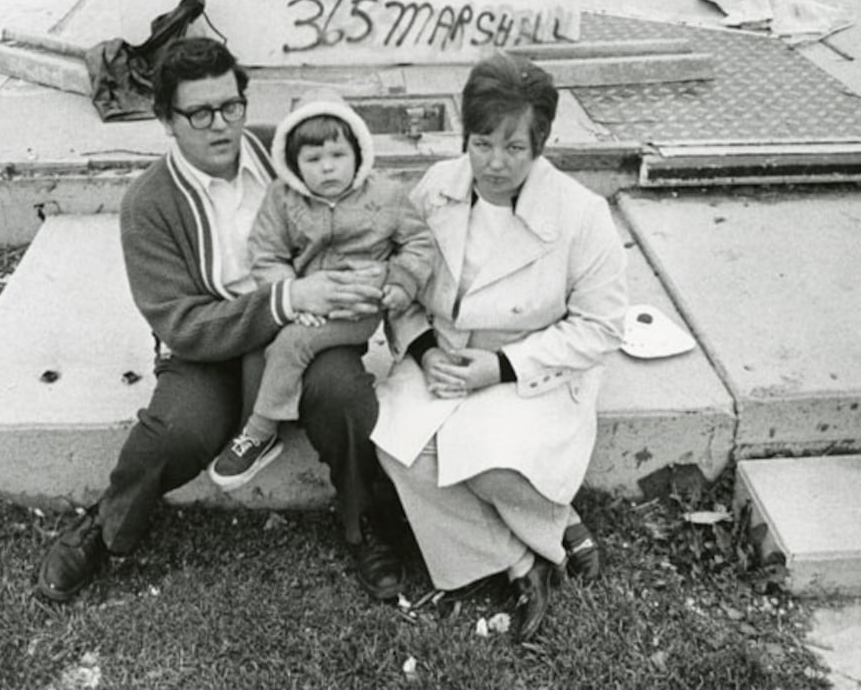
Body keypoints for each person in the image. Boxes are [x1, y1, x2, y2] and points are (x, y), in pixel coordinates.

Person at [35, 38, 405, 603]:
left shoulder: (286, 155)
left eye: (231, 106)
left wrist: (370, 281)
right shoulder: (148, 204)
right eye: (200, 113)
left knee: (346, 397)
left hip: (305, 334)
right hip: (211, 349)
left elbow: (364, 205)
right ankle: (106, 524)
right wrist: (285, 297)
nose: (221, 125)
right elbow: (183, 325)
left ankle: (364, 521)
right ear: (166, 119)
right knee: (175, 432)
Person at [371, 53, 628, 643]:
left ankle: (553, 518)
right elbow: (401, 283)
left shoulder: (581, 214)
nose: (493, 163)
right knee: (399, 448)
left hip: (530, 366)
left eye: (514, 148)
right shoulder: (437, 188)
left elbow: (601, 326)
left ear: (541, 143)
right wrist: (425, 350)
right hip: (444, 356)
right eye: (481, 143)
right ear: (465, 136)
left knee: (485, 460)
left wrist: (501, 366)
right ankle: (520, 559)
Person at [207, 93, 436, 490]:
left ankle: (260, 432)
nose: (327, 167)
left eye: (338, 155)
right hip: (307, 301)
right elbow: (266, 253)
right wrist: (293, 295)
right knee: (266, 340)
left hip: (357, 305)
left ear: (358, 152)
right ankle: (261, 411)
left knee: (292, 344)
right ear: (293, 163)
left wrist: (400, 281)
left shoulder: (386, 195)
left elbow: (418, 242)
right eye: (313, 159)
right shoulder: (282, 198)